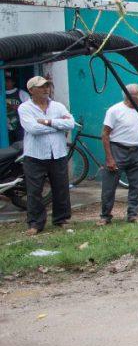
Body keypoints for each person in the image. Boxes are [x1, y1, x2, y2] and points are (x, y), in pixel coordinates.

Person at [17, 76, 74, 236]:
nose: (45, 89)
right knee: (34, 191)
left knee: (61, 187)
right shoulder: (25, 108)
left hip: (58, 153)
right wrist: (57, 125)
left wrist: (47, 122)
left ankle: (61, 219)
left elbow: (70, 124)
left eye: (47, 86)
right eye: (41, 87)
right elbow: (33, 128)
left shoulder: (58, 106)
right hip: (35, 155)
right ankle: (35, 223)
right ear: (31, 90)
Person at [98, 84, 138, 225]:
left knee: (136, 186)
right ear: (129, 95)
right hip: (118, 150)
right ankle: (105, 216)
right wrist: (109, 158)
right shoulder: (115, 110)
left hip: (136, 151)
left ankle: (133, 215)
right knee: (109, 187)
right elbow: (105, 134)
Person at [5, 71, 30, 143]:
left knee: (21, 143)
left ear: (13, 82)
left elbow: (30, 108)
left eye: (8, 81)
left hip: (20, 125)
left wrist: (18, 107)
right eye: (5, 81)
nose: (5, 83)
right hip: (5, 125)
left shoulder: (21, 93)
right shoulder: (1, 94)